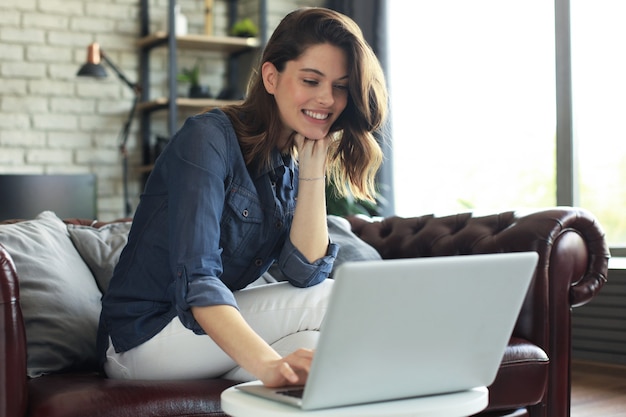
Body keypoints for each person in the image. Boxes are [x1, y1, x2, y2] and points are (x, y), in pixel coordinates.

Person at [97, 6, 388, 388]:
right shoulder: (207, 138)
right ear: (271, 76)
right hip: (140, 340)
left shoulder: (289, 164)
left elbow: (304, 272)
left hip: (201, 341)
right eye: (311, 80)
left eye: (339, 86)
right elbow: (198, 282)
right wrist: (269, 365)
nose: (327, 100)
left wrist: (314, 170)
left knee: (312, 353)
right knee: (330, 298)